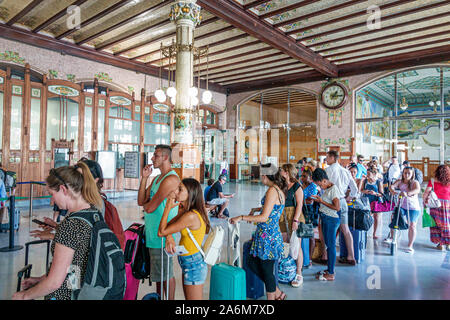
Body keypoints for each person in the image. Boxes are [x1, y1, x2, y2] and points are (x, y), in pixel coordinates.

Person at [13, 162, 104, 300]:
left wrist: (24, 295)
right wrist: (40, 280)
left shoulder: (71, 224)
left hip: (65, 295)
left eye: (52, 194)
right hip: (80, 291)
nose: (52, 200)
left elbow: (55, 282)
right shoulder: (94, 213)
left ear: (63, 189)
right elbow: (74, 266)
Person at [230, 163, 286, 300]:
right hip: (268, 234)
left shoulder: (272, 191)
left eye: (261, 174)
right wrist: (256, 210)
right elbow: (271, 209)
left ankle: (273, 297)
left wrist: (241, 217)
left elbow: (264, 217)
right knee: (252, 263)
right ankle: (278, 293)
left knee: (266, 271)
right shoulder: (277, 189)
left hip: (268, 236)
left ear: (265, 176)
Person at [137, 144, 180, 300]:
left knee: (166, 274)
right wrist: (144, 178)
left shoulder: (171, 179)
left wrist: (147, 206)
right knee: (158, 275)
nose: (152, 158)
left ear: (166, 157)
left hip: (164, 235)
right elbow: (141, 201)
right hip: (153, 234)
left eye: (156, 155)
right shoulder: (156, 179)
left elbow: (149, 207)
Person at [158, 178, 211, 300]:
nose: (176, 191)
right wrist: (169, 236)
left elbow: (162, 231)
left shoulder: (191, 216)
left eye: (180, 189)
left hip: (194, 264)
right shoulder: (187, 212)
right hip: (188, 261)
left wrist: (167, 208)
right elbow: (167, 228)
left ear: (190, 194)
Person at [325, 150, 358, 265]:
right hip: (343, 201)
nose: (326, 159)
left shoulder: (328, 171)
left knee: (329, 230)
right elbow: (355, 189)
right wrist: (349, 197)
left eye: (327, 157)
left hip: (332, 203)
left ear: (332, 157)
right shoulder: (345, 171)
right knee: (345, 229)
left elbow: (324, 188)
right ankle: (351, 256)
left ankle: (326, 257)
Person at [310, 168, 341, 281]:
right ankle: (329, 269)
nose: (319, 187)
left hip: (331, 220)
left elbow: (337, 207)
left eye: (319, 184)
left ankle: (331, 273)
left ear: (324, 180)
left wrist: (321, 201)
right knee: (328, 245)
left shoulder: (333, 189)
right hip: (325, 218)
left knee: (331, 246)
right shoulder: (327, 188)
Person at [279, 164, 304, 287]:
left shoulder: (297, 186)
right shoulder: (281, 185)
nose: (280, 172)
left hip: (294, 216)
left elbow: (299, 204)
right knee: (285, 244)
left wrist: (295, 220)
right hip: (282, 216)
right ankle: (287, 269)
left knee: (296, 245)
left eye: (282, 171)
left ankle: (298, 273)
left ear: (287, 172)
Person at [388, 166, 421, 253]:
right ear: (402, 173)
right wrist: (392, 190)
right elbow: (392, 186)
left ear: (412, 174)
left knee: (412, 225)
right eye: (405, 173)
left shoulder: (415, 182)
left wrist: (408, 193)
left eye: (409, 173)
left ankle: (410, 245)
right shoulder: (400, 181)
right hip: (402, 206)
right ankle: (393, 238)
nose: (406, 175)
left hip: (413, 207)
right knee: (394, 220)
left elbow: (417, 190)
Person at [423, 165, 450, 251]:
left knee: (436, 224)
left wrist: (424, 203)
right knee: (446, 224)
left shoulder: (432, 181)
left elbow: (426, 192)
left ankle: (440, 244)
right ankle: (448, 243)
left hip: (435, 205)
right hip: (447, 205)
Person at [300, 169, 319, 264]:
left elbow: (310, 201)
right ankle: (303, 256)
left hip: (309, 211)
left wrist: (300, 200)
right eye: (302, 176)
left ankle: (310, 258)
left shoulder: (313, 186)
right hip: (301, 210)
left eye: (304, 176)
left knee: (310, 234)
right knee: (302, 234)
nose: (302, 178)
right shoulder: (301, 185)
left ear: (310, 177)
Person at [360, 168, 384, 239]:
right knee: (366, 216)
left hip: (376, 200)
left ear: (373, 174)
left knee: (376, 217)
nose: (367, 175)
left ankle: (374, 233)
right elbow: (361, 190)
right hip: (367, 200)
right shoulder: (365, 181)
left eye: (368, 174)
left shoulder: (378, 182)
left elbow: (381, 194)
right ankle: (365, 231)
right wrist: (365, 191)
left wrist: (375, 193)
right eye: (367, 173)